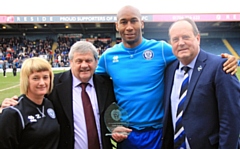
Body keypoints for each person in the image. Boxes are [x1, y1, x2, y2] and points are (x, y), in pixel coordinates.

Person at [95, 5, 239, 149]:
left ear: (142, 23)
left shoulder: (161, 49)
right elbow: (95, 85)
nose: (129, 27)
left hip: (159, 133)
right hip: (127, 135)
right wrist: (113, 122)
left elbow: (190, 52)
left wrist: (227, 61)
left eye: (134, 21)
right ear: (117, 26)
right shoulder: (108, 57)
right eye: (124, 22)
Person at [0, 41, 116, 149]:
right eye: (79, 61)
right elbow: (31, 99)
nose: (84, 65)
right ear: (70, 62)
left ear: (96, 62)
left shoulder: (106, 85)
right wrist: (10, 104)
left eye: (88, 60)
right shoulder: (54, 84)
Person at [162, 18, 240, 149]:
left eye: (186, 37)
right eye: (175, 39)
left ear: (197, 38)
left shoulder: (220, 67)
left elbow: (231, 119)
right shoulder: (170, 70)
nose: (181, 43)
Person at [0, 57, 60, 149]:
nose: (42, 83)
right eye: (35, 78)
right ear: (26, 80)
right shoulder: (14, 112)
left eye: (45, 77)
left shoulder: (50, 104)